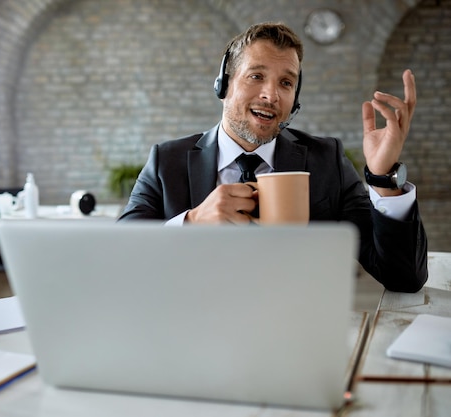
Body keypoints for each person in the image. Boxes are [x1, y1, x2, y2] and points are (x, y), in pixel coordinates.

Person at [118, 22, 428, 293]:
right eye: (256, 76)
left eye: (286, 82)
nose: (271, 95)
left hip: (294, 333)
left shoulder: (326, 161)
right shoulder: (166, 161)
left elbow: (403, 278)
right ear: (224, 85)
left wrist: (384, 176)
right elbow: (118, 257)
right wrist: (192, 222)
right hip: (189, 327)